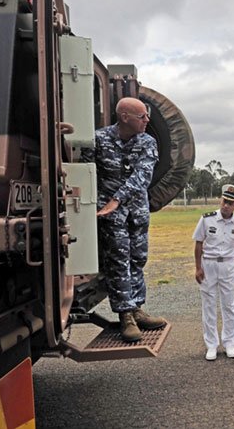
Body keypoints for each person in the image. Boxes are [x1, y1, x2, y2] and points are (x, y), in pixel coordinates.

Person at [80, 97, 167, 342]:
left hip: (135, 212)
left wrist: (116, 199)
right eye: (142, 117)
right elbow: (87, 173)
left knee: (138, 259)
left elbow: (142, 176)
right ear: (125, 117)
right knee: (118, 261)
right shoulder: (99, 140)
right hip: (111, 216)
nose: (147, 121)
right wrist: (97, 205)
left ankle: (137, 308)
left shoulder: (147, 142)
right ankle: (125, 316)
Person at [193, 184, 234, 361]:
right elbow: (199, 243)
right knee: (209, 305)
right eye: (224, 201)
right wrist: (198, 267)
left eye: (230, 203)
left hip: (227, 265)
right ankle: (211, 345)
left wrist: (230, 261)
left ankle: (229, 342)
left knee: (229, 304)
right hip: (208, 264)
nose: (226, 205)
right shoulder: (207, 219)